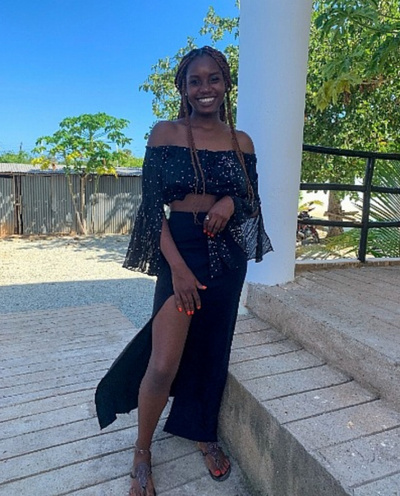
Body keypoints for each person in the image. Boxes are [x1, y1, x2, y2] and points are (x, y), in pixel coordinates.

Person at [95, 46, 272, 496]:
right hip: (181, 248)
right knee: (162, 362)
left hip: (226, 253)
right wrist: (176, 268)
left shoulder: (242, 141)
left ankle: (202, 432)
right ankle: (141, 451)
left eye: (213, 79)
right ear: (183, 88)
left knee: (213, 352)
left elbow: (250, 200)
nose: (205, 88)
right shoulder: (164, 133)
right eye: (195, 80)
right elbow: (151, 208)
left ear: (226, 84)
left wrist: (229, 202)